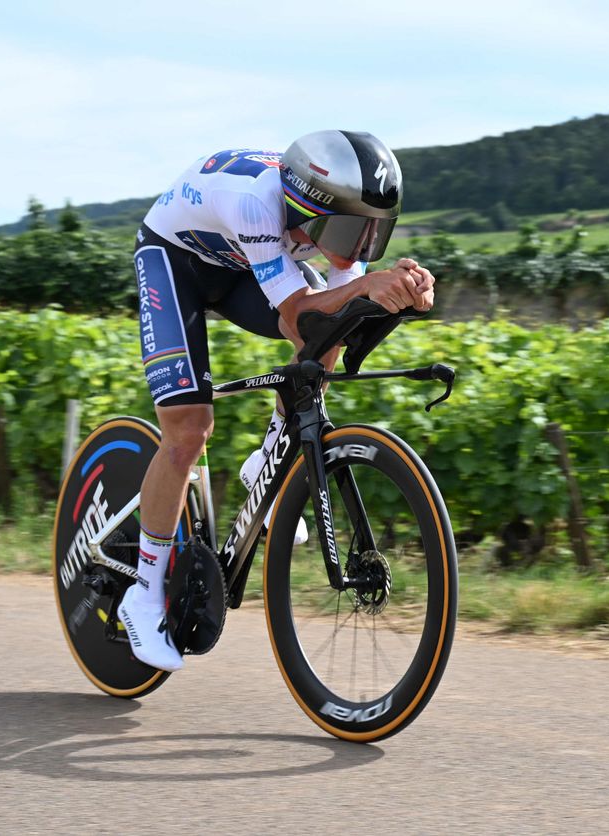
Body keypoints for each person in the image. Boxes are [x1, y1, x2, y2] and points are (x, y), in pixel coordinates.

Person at [119, 130, 436, 671]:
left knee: (331, 332)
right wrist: (366, 287)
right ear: (308, 209)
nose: (361, 249)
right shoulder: (258, 204)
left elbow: (334, 318)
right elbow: (296, 314)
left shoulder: (332, 218)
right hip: (176, 261)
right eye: (352, 231)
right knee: (189, 430)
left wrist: (401, 296)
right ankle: (143, 592)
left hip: (239, 263)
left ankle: (267, 456)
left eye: (374, 234)